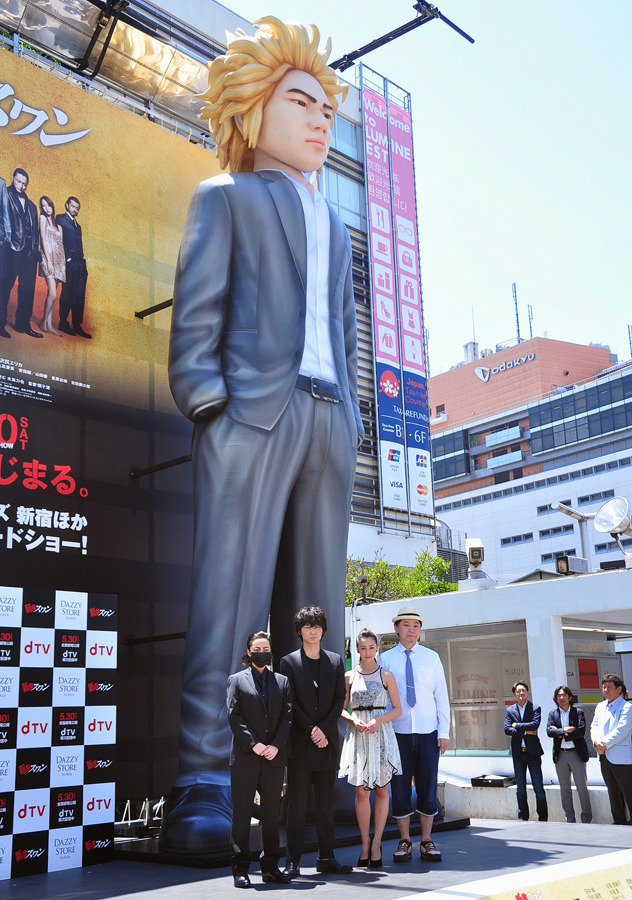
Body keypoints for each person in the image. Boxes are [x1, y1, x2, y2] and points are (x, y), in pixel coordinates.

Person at [160, 16, 363, 859]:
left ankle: (320, 783)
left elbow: (342, 340)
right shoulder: (226, 197)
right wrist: (215, 407)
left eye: (326, 107)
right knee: (230, 602)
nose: (321, 119)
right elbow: (196, 321)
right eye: (301, 101)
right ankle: (204, 780)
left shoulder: (338, 229)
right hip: (252, 416)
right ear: (253, 109)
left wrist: (349, 416)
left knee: (320, 620)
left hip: (326, 419)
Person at [279, 606, 351, 878]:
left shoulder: (334, 661)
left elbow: (338, 700)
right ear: (300, 631)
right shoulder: (288, 662)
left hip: (327, 743)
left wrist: (323, 730)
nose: (313, 631)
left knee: (325, 806)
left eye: (317, 626)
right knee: (296, 807)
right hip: (300, 743)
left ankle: (326, 857)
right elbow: (290, 701)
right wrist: (311, 729)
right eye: (308, 626)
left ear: (323, 629)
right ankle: (292, 861)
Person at [380, 605, 450, 864]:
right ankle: (405, 840)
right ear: (397, 629)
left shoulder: (431, 657)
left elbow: (440, 696)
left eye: (416, 626)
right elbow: (383, 698)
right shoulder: (385, 659)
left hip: (428, 733)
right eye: (406, 625)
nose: (411, 630)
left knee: (428, 787)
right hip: (397, 733)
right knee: (399, 789)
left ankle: (427, 840)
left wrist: (444, 732)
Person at [226, 631, 292, 888]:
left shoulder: (282, 682)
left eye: (266, 647)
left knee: (271, 815)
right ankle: (240, 868)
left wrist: (275, 746)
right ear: (249, 651)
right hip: (245, 757)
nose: (261, 651)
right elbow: (234, 716)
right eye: (257, 647)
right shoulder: (236, 680)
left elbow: (287, 718)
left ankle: (270, 866)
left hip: (274, 758)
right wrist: (254, 745)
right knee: (241, 814)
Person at [339, 628, 402, 869]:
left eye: (371, 647)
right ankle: (364, 843)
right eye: (363, 648)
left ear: (377, 649)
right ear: (357, 649)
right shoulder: (349, 676)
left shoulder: (386, 675)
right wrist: (353, 720)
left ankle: (377, 842)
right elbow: (341, 708)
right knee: (361, 793)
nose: (367, 652)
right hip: (358, 736)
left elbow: (397, 709)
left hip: (381, 735)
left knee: (382, 791)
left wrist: (378, 721)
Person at [1, 168, 41, 338]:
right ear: (13, 178)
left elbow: (35, 232)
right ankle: (0, 323)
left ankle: (23, 325)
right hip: (9, 250)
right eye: (19, 181)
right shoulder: (5, 195)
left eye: (25, 184)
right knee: (3, 287)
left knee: (27, 290)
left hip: (28, 254)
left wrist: (35, 252)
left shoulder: (32, 206)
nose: (21, 186)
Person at [590, 672, 632, 825]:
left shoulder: (627, 707)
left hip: (621, 757)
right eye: (604, 687)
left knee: (628, 791)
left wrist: (604, 744)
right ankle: (619, 821)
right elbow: (594, 726)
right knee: (612, 791)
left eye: (609, 687)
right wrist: (596, 742)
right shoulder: (600, 707)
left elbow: (622, 729)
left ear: (619, 689)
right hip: (604, 755)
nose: (605, 690)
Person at [546, 685, 591, 824]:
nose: (561, 698)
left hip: (576, 753)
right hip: (561, 755)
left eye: (564, 695)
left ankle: (586, 819)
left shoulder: (578, 713)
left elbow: (581, 732)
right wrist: (565, 730)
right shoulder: (553, 714)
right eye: (559, 696)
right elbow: (549, 732)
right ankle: (569, 819)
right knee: (565, 789)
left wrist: (559, 732)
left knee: (582, 788)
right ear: (556, 698)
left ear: (570, 697)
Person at [504, 681, 548, 822]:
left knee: (538, 788)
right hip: (518, 753)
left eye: (523, 690)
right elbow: (507, 729)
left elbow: (535, 725)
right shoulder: (510, 710)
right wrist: (526, 731)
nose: (521, 693)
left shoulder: (535, 708)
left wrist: (517, 726)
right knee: (520, 789)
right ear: (515, 694)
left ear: (527, 692)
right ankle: (523, 817)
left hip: (533, 753)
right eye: (518, 691)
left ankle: (543, 818)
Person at [56, 196, 91, 338]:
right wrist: (66, 259)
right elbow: (57, 240)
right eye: (73, 206)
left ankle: (77, 325)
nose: (75, 209)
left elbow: (80, 246)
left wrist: (82, 261)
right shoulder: (60, 219)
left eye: (77, 208)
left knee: (79, 296)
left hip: (79, 264)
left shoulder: (78, 226)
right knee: (67, 293)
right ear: (67, 205)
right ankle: (63, 322)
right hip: (68, 262)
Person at [38, 196, 65, 335]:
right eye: (43, 206)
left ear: (52, 206)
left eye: (48, 205)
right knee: (53, 294)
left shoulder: (58, 225)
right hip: (48, 259)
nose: (46, 208)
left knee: (52, 294)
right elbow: (43, 239)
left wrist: (61, 265)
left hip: (58, 261)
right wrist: (48, 261)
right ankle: (43, 322)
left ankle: (49, 325)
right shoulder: (43, 219)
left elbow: (60, 246)